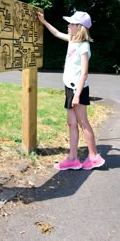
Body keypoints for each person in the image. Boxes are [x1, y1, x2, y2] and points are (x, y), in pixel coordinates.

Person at [37, 10, 105, 170]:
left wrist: (77, 95)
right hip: (70, 88)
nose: (68, 25)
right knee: (71, 123)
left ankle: (94, 157)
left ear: (79, 27)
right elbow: (56, 33)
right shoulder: (72, 40)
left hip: (78, 89)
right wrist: (44, 22)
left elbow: (84, 73)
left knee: (83, 122)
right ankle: (73, 159)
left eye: (71, 23)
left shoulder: (83, 46)